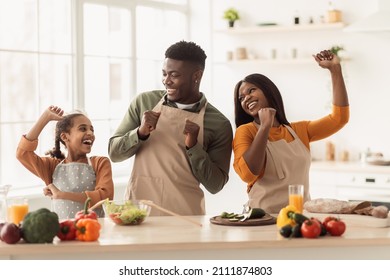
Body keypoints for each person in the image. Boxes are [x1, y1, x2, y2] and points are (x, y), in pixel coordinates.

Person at [108, 40, 233, 216]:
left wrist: (193, 148)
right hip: (138, 211)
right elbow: (114, 153)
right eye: (164, 74)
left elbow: (216, 185)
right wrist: (140, 132)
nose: (166, 81)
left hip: (186, 215)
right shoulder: (144, 102)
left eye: (174, 75)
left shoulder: (218, 123)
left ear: (196, 76)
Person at [232, 50, 349, 214]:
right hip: (262, 220)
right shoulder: (245, 131)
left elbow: (339, 118)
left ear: (268, 90)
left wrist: (335, 70)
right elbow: (248, 174)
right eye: (241, 98)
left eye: (251, 90)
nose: (246, 98)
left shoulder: (300, 131)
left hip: (300, 218)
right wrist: (265, 126)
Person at [16, 106, 114, 219]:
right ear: (64, 137)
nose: (90, 133)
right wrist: (45, 118)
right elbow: (23, 153)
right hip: (63, 233)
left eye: (92, 129)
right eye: (83, 129)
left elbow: (105, 197)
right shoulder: (52, 167)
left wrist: (62, 195)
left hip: (92, 231)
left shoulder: (100, 163)